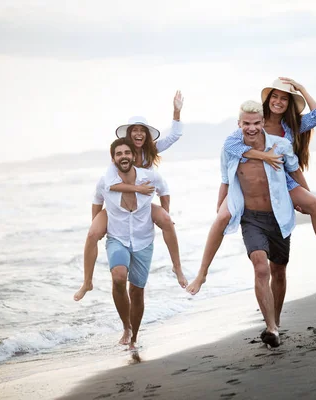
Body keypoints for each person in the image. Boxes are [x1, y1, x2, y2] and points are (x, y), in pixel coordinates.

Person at [186, 78, 316, 297]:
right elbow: (231, 146)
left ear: (290, 103)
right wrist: (263, 155)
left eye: (284, 98)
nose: (278, 101)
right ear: (268, 99)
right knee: (222, 217)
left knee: (315, 204)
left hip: (283, 179)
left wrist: (301, 89)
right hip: (253, 185)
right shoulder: (255, 122)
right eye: (275, 96)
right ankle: (202, 273)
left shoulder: (292, 125)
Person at [74, 91, 187, 302]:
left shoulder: (151, 150)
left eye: (141, 131)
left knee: (166, 221)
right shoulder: (121, 155)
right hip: (116, 207)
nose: (138, 134)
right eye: (134, 130)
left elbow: (174, 137)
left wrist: (176, 111)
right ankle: (87, 282)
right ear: (128, 135)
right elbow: (109, 186)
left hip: (142, 205)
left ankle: (177, 268)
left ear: (146, 134)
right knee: (92, 234)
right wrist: (136, 190)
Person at [215, 100, 299, 347]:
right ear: (239, 124)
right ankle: (271, 327)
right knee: (260, 267)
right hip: (250, 218)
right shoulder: (230, 149)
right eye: (246, 124)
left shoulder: (281, 145)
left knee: (279, 270)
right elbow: (225, 181)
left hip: (279, 216)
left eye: (255, 123)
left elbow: (293, 172)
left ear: (263, 123)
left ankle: (276, 321)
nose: (251, 128)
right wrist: (220, 208)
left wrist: (306, 196)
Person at [80, 138, 170, 351]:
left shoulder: (147, 176)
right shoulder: (106, 179)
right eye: (118, 153)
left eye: (126, 152)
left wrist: (166, 212)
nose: (123, 156)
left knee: (137, 291)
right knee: (119, 277)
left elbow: (164, 190)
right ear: (113, 158)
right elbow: (97, 200)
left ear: (133, 155)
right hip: (117, 237)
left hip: (142, 239)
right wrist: (98, 226)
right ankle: (126, 327)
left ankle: (134, 337)